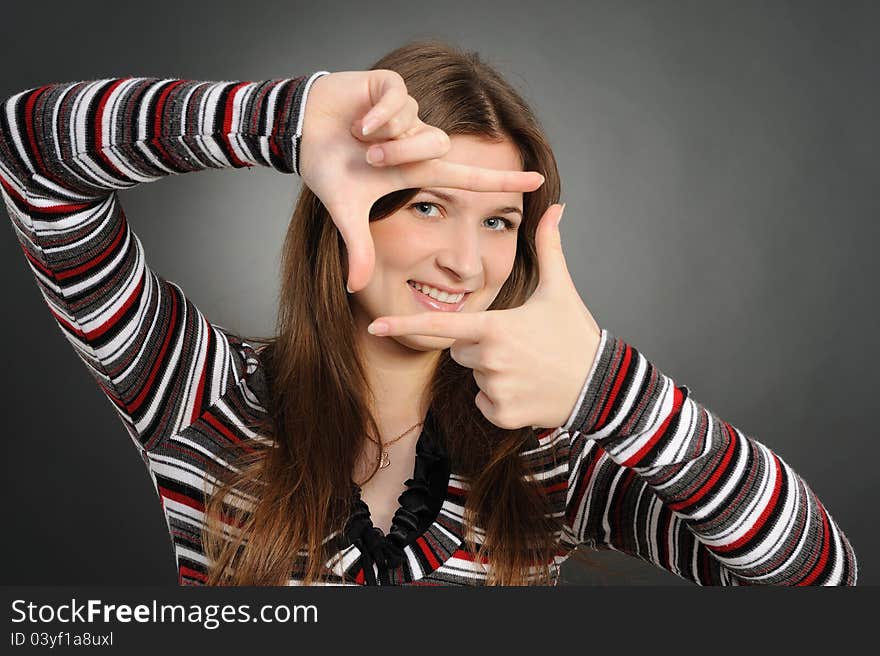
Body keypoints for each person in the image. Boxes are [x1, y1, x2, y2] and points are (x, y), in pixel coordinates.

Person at [0, 40, 857, 586]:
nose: (464, 259)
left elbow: (819, 582)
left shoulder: (550, 466)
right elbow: (32, 158)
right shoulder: (200, 394)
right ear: (346, 209)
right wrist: (281, 122)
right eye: (425, 206)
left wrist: (610, 392)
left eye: (496, 222)